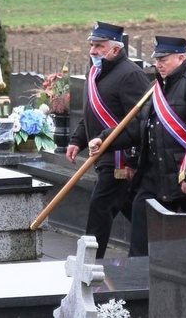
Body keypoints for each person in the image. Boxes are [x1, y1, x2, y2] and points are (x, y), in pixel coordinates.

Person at [89, 36, 186, 257]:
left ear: (181, 57)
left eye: (164, 59)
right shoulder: (157, 88)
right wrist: (105, 140)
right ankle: (139, 286)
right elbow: (138, 125)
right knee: (141, 239)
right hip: (157, 177)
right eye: (157, 60)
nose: (159, 64)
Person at [65, 22, 149, 259]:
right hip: (103, 155)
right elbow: (90, 115)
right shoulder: (94, 73)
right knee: (131, 208)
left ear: (115, 49)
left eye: (99, 46)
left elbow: (139, 122)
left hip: (120, 160)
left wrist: (133, 160)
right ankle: (162, 249)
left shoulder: (131, 75)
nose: (93, 51)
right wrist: (77, 141)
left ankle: (90, 262)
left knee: (100, 210)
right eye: (92, 45)